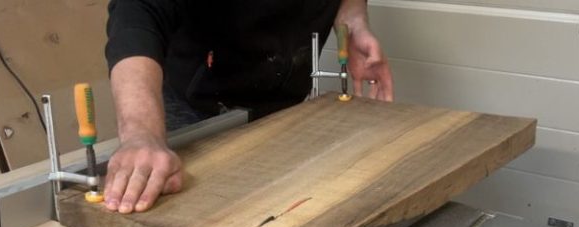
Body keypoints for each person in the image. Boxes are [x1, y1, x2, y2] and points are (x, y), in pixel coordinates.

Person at [103, 0, 393, 214]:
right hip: (200, 115)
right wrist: (142, 133)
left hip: (285, 111)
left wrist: (353, 21)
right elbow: (137, 13)